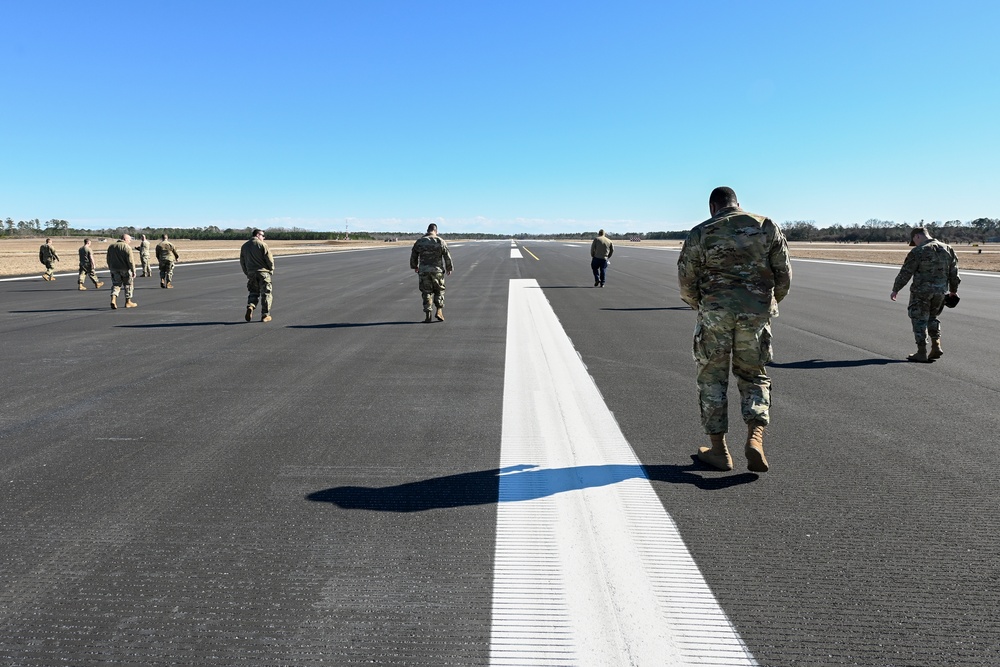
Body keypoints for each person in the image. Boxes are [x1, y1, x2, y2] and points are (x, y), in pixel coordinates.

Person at [677, 187, 791, 473]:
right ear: (737, 204)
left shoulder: (701, 231)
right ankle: (755, 438)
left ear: (713, 207)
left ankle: (719, 451)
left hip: (715, 315)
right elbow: (784, 275)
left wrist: (701, 307)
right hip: (755, 315)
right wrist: (765, 304)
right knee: (753, 376)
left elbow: (686, 279)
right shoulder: (766, 226)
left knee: (712, 380)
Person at [890, 227, 960, 362]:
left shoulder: (918, 251)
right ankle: (936, 345)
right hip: (940, 292)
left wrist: (895, 289)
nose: (914, 244)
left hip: (921, 292)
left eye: (914, 241)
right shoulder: (947, 249)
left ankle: (921, 352)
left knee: (919, 319)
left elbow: (906, 272)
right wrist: (953, 291)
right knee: (932, 317)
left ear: (917, 236)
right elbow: (954, 273)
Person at [409, 223, 453, 322]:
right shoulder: (440, 241)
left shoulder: (420, 241)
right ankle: (439, 310)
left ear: (427, 230)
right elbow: (447, 255)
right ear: (436, 231)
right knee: (439, 291)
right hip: (437, 271)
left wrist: (414, 266)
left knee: (426, 292)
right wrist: (449, 267)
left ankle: (428, 315)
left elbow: (414, 255)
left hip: (424, 271)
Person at [240, 228, 275, 322]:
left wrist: (247, 272)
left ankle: (251, 306)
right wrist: (271, 269)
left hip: (251, 273)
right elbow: (269, 259)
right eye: (262, 236)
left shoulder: (244, 246)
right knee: (266, 293)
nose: (263, 238)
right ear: (258, 235)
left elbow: (242, 261)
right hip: (263, 273)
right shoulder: (262, 245)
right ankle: (265, 315)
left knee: (253, 292)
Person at [106, 233, 137, 309]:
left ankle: (113, 299)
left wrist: (110, 267)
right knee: (128, 285)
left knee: (116, 285)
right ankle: (128, 302)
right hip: (125, 269)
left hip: (114, 269)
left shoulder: (111, 246)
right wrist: (133, 270)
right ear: (125, 239)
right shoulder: (126, 247)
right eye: (129, 240)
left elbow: (108, 258)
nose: (129, 241)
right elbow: (130, 260)